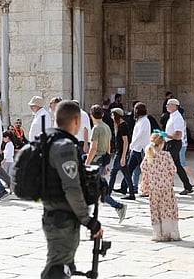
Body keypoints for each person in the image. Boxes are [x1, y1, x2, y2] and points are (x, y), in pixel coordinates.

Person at [41, 100, 103, 279]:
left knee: (62, 265)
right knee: (58, 268)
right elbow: (72, 188)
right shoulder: (65, 147)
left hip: (54, 213)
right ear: (76, 120)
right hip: (63, 218)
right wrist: (88, 220)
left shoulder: (53, 141)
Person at [86, 105, 127, 223]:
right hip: (102, 160)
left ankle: (118, 206)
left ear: (91, 115)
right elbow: (109, 147)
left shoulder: (96, 128)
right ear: (103, 114)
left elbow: (93, 149)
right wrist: (106, 164)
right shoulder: (107, 127)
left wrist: (87, 164)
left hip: (95, 162)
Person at [141, 133, 180, 242]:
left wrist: (145, 187)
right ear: (162, 144)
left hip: (154, 189)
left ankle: (158, 234)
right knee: (167, 210)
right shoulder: (166, 155)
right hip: (166, 188)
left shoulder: (148, 156)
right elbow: (173, 169)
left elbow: (144, 171)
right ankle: (170, 233)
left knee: (155, 211)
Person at [118, 102, 150, 195]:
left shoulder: (144, 121)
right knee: (129, 169)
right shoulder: (140, 121)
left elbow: (140, 135)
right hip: (136, 149)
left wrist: (131, 145)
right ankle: (124, 187)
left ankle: (145, 188)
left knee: (143, 170)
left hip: (141, 149)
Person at [164, 98, 193, 195]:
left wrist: (165, 135)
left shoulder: (177, 118)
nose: (167, 106)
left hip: (174, 143)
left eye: (168, 104)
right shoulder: (172, 116)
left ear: (174, 106)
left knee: (168, 165)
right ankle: (187, 186)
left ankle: (166, 186)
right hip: (170, 143)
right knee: (177, 165)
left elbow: (178, 135)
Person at [108, 108, 135, 200]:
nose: (111, 116)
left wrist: (123, 156)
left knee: (113, 172)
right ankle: (131, 193)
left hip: (120, 153)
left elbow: (126, 141)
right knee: (126, 174)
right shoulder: (118, 125)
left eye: (112, 114)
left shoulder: (123, 125)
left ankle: (108, 192)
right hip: (119, 152)